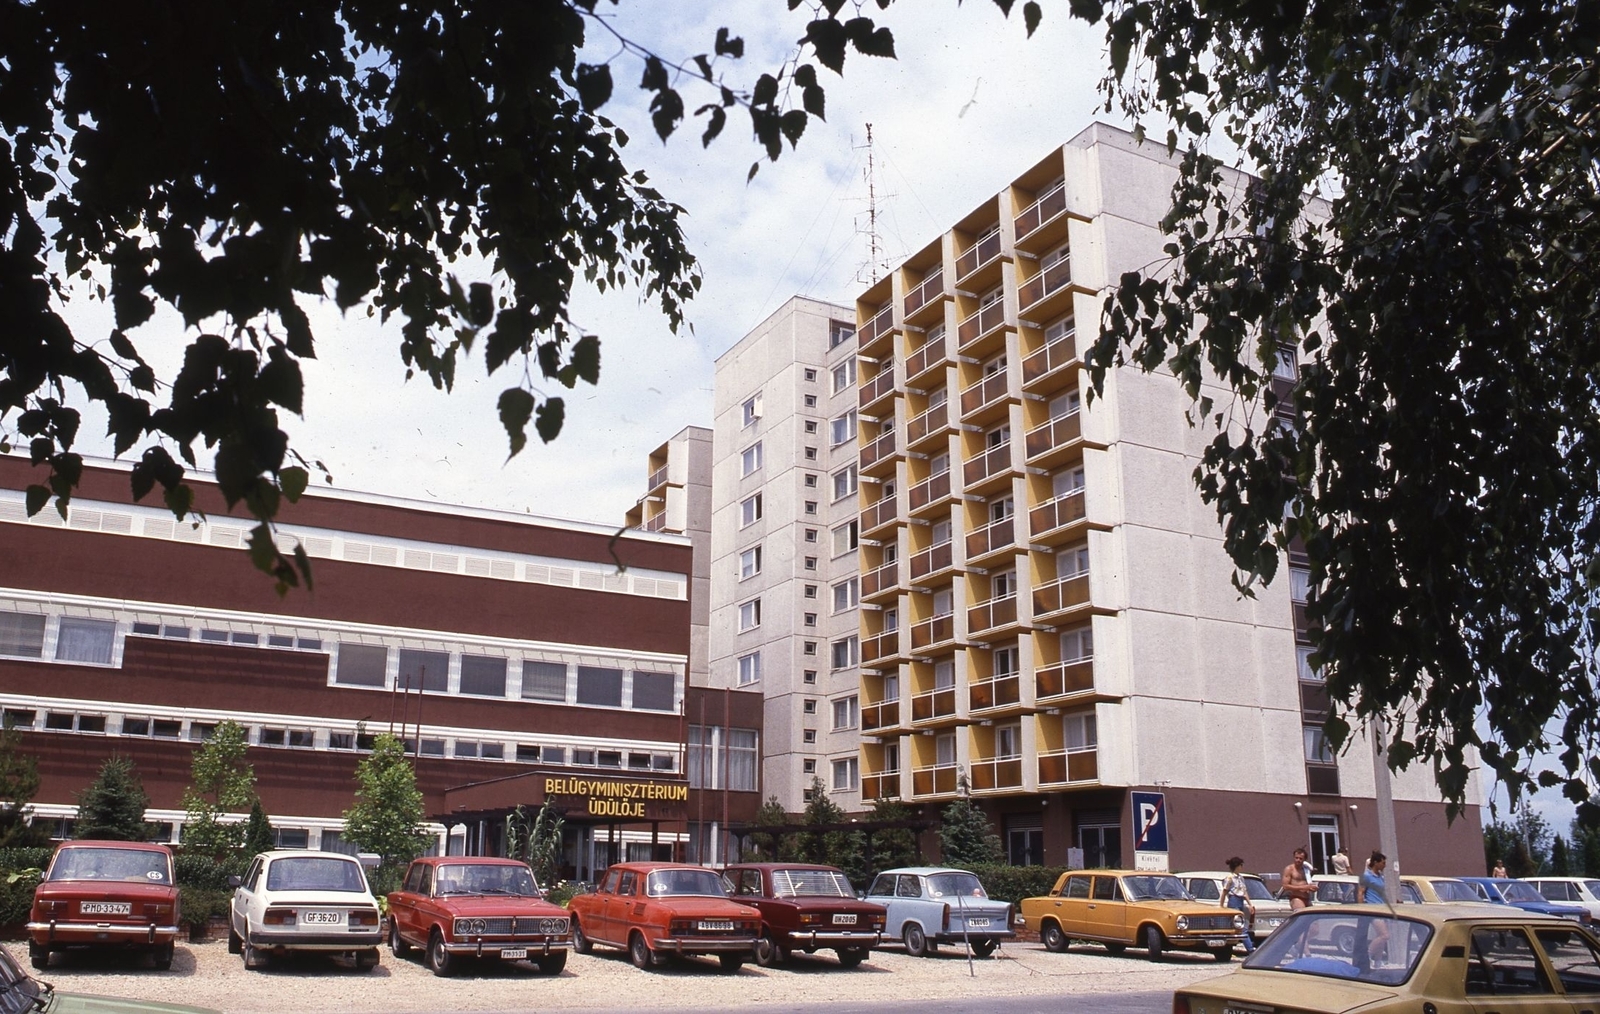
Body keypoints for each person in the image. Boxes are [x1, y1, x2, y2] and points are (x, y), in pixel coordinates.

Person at [1221, 857, 1256, 954]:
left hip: (1240, 901)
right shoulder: (1230, 878)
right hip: (1233, 900)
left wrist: (1250, 904)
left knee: (1239, 925)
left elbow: (1244, 892)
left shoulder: (1241, 878)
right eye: (1241, 865)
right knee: (1241, 927)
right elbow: (1224, 892)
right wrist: (1222, 906)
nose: (1242, 867)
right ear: (1237, 866)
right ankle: (1250, 949)